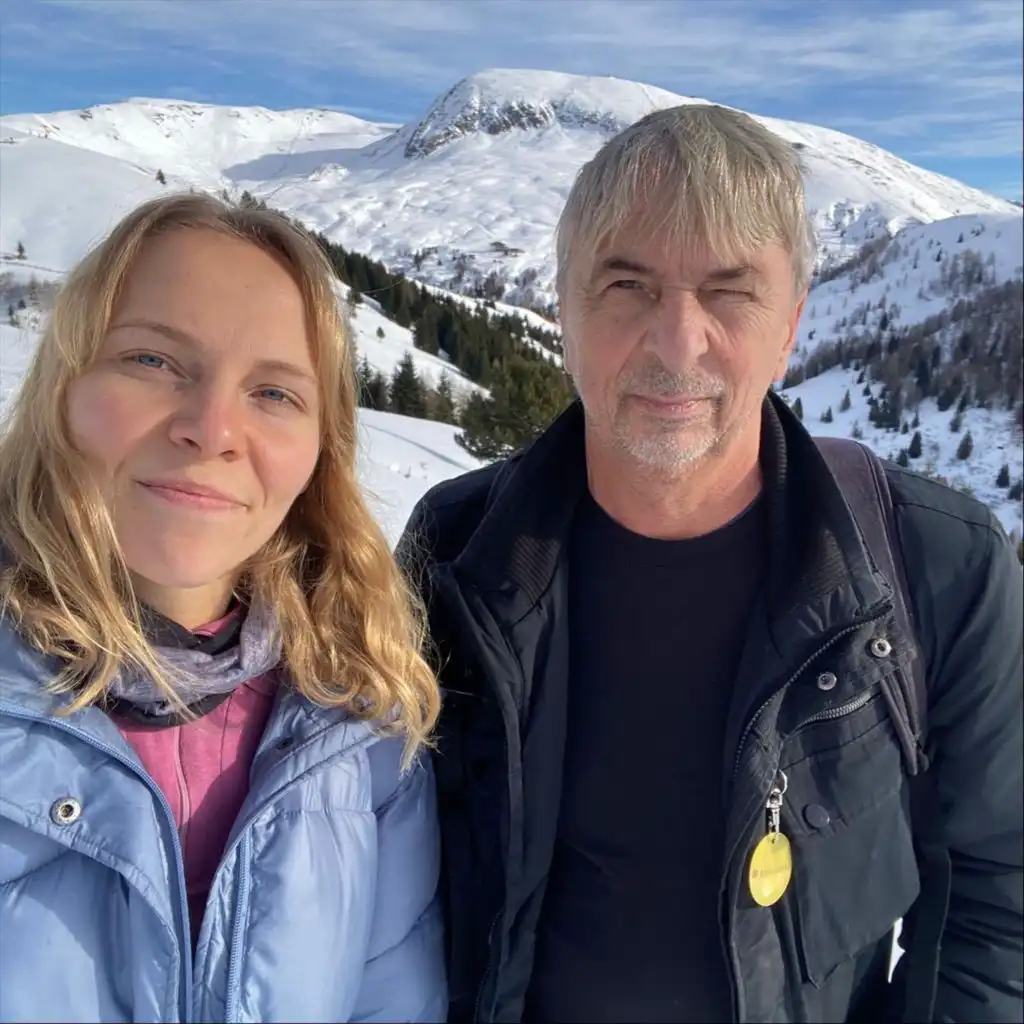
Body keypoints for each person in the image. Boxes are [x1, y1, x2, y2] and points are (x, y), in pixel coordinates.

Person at [398, 105, 1023, 1023]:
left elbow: (997, 898)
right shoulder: (456, 553)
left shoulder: (931, 562)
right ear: (564, 309)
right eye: (627, 285)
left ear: (790, 325)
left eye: (730, 292)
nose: (677, 342)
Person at [0, 193, 446, 1022]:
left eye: (273, 393)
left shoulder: (357, 721)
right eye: (152, 360)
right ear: (65, 387)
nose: (212, 430)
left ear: (319, 453)